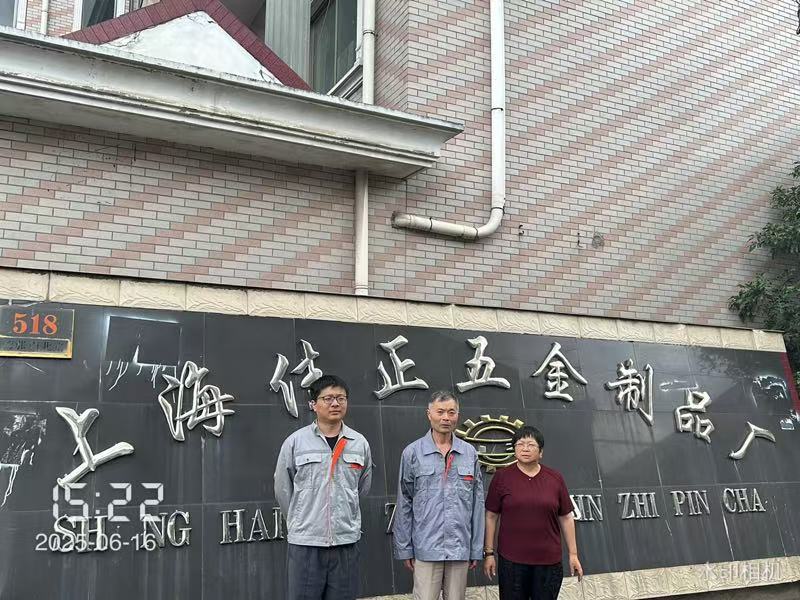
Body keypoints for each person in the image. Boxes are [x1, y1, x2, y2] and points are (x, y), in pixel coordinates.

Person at [274, 374, 373, 600]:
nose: (335, 403)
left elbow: (362, 487)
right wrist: (301, 520)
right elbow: (282, 488)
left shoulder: (359, 443)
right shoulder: (296, 442)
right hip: (306, 544)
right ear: (313, 404)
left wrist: (345, 513)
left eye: (341, 398)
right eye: (328, 398)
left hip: (345, 542)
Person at [393, 390, 484, 600]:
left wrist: (476, 548)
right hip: (426, 547)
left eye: (451, 412)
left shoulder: (469, 453)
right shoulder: (412, 453)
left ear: (457, 415)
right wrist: (405, 548)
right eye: (440, 412)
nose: (446, 418)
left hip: (459, 546)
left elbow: (477, 503)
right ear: (429, 414)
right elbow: (404, 502)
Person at [483, 425, 583, 600]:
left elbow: (566, 517)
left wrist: (573, 554)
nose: (525, 449)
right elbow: (491, 516)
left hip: (548, 562)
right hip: (512, 562)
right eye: (520, 444)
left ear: (541, 452)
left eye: (531, 445)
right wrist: (489, 553)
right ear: (514, 449)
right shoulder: (502, 477)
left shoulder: (555, 478)